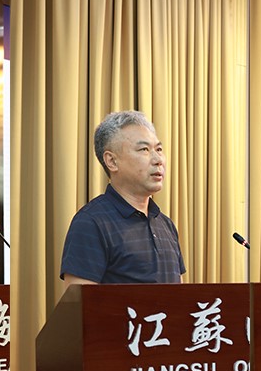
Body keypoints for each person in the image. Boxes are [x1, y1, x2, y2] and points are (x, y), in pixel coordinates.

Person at [61, 111, 185, 286]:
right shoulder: (91, 222)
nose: (158, 160)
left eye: (159, 149)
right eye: (144, 149)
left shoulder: (166, 225)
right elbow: (79, 301)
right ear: (112, 161)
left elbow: (181, 296)